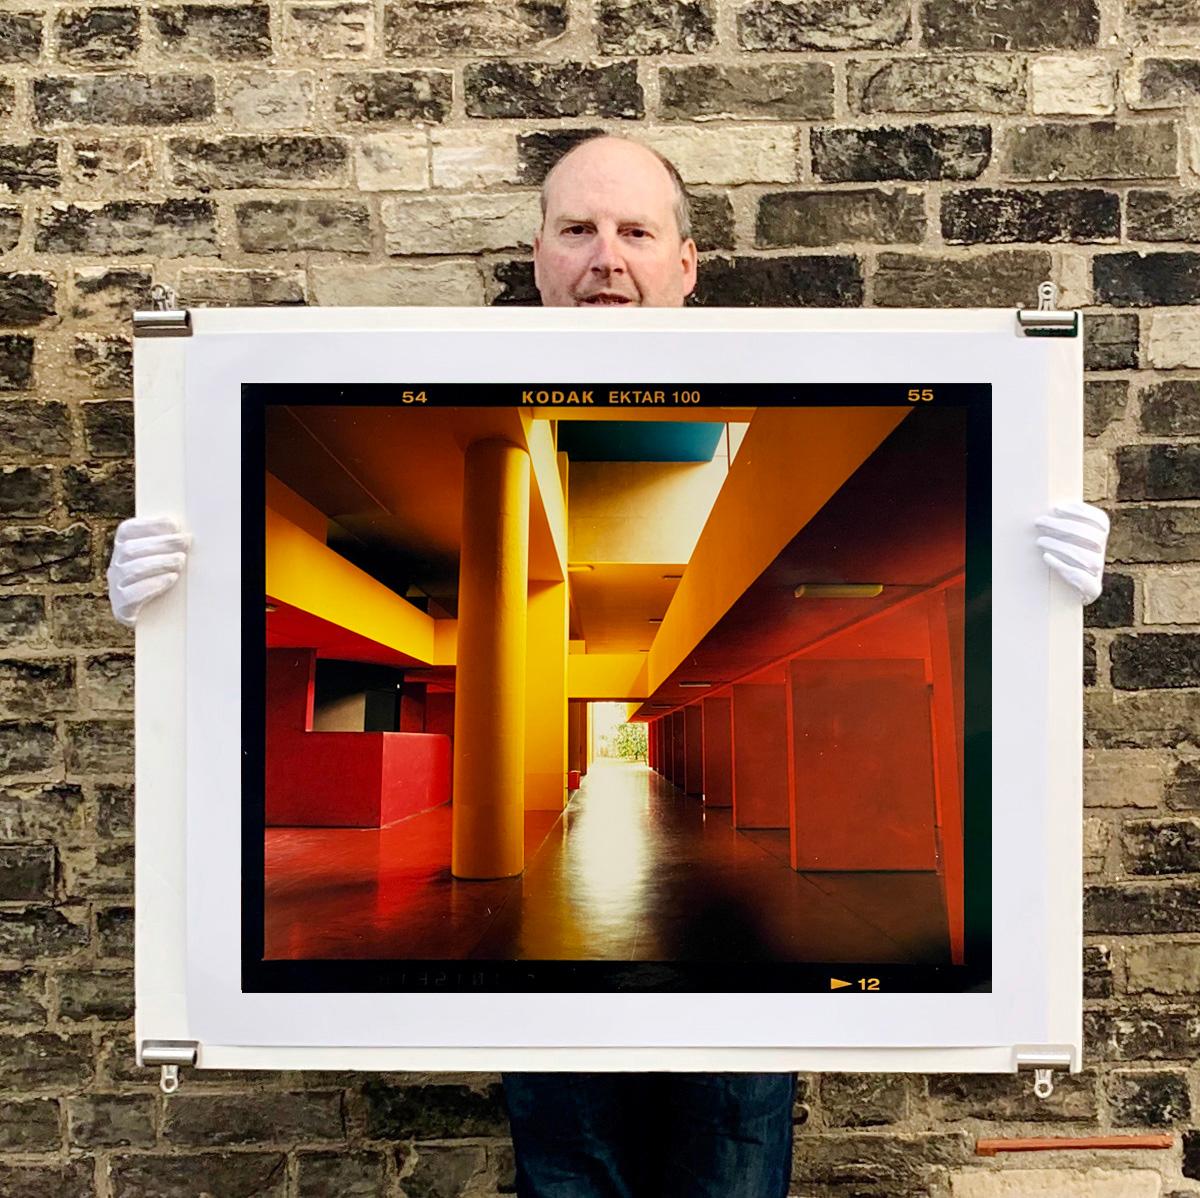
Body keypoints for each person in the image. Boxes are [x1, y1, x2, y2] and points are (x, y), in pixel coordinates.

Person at [108, 135, 1110, 1197]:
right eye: (578, 230)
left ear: (687, 263)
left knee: (730, 1169)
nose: (606, 258)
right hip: (543, 1003)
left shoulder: (789, 384)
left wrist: (1036, 593)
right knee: (568, 1169)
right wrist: (183, 611)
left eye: (636, 232)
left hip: (754, 1003)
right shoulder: (449, 384)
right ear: (536, 255)